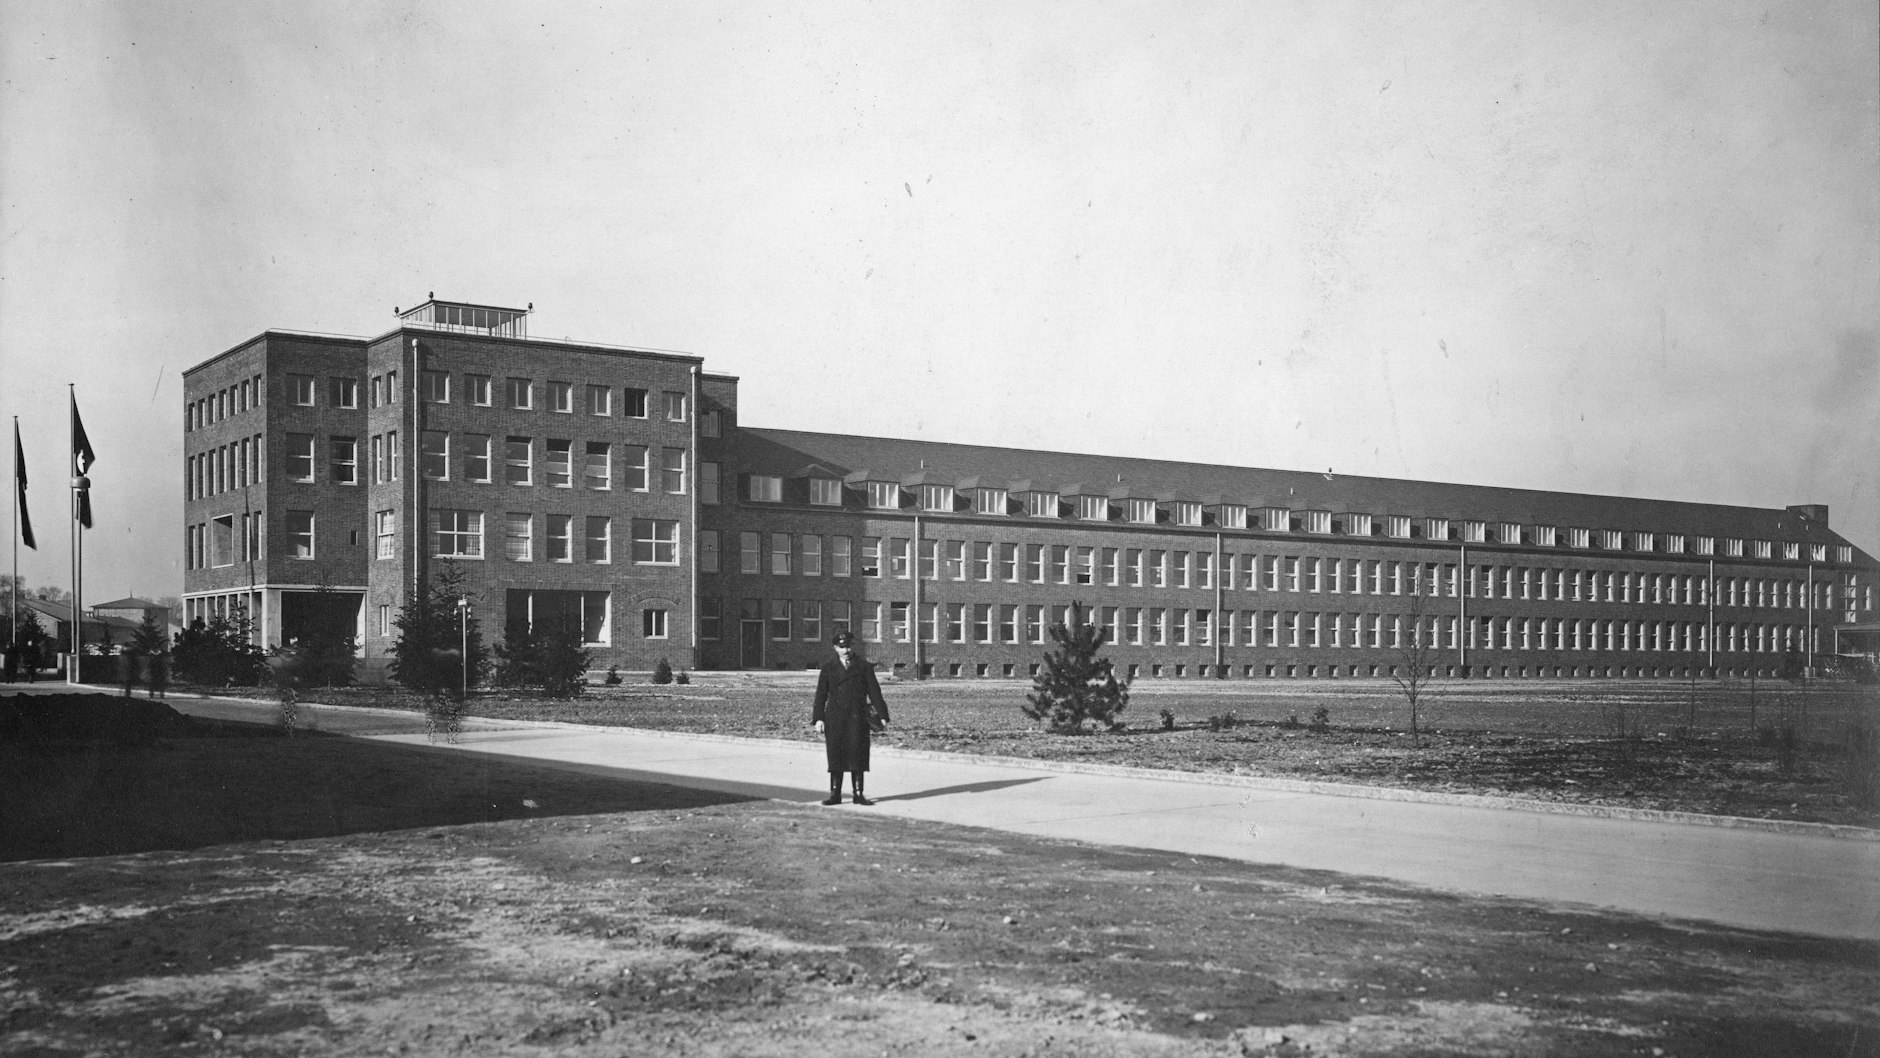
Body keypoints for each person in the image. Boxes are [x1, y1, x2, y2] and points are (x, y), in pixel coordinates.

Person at [811, 630, 889, 805]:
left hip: (857, 718)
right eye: (841, 647)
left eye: (848, 646)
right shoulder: (828, 668)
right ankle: (835, 795)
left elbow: (875, 692)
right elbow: (821, 695)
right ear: (835, 648)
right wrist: (818, 718)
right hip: (835, 718)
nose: (846, 650)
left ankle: (858, 794)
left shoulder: (864, 667)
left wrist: (882, 715)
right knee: (836, 756)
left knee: (858, 755)